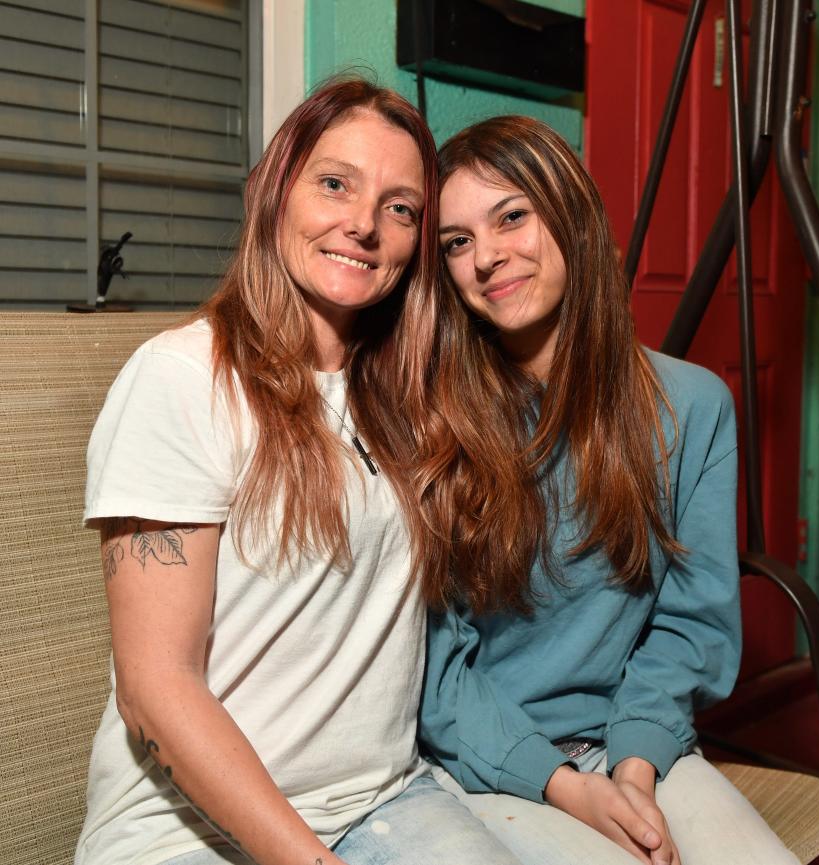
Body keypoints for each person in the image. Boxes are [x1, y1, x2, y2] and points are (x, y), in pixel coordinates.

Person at [74, 79, 520, 865]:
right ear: (277, 190)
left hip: (381, 800)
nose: (363, 223)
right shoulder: (181, 378)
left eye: (400, 208)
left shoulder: (408, 398)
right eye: (335, 183)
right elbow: (155, 690)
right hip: (185, 827)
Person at [416, 115, 798, 865]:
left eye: (512, 216)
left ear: (571, 216)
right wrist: (567, 787)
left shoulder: (691, 406)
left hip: (631, 738)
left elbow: (694, 621)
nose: (487, 257)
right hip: (485, 761)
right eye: (457, 242)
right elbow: (434, 670)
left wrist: (635, 767)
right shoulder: (432, 418)